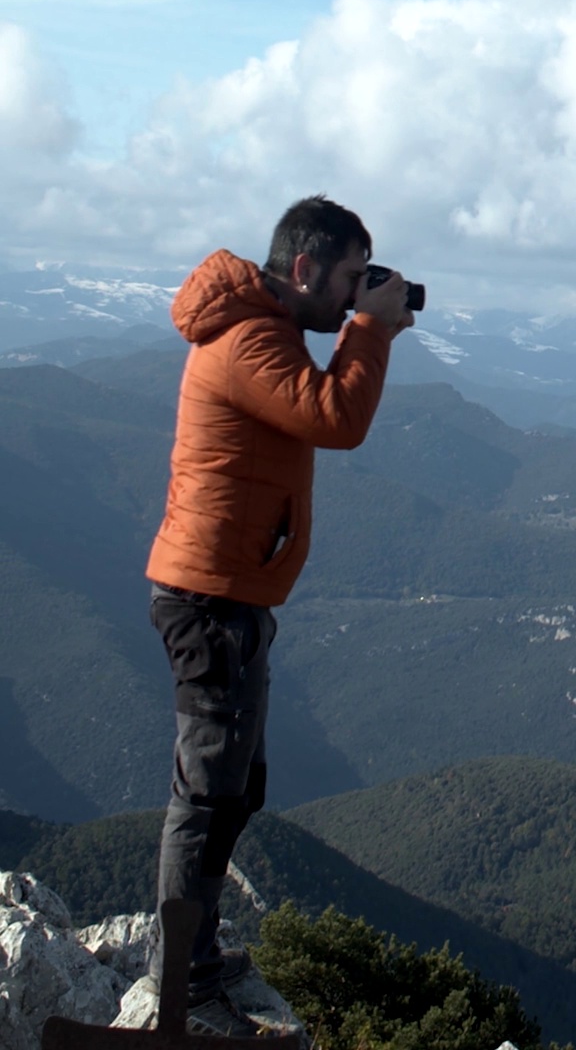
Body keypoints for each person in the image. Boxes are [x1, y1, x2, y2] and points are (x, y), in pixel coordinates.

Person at [145, 195, 412, 1018]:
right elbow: (335, 419)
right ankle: (178, 975)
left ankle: (196, 949)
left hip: (232, 594)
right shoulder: (248, 337)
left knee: (235, 785)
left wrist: (357, 322)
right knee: (209, 791)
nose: (350, 296)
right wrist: (371, 332)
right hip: (209, 597)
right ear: (302, 267)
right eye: (345, 279)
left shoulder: (268, 329)